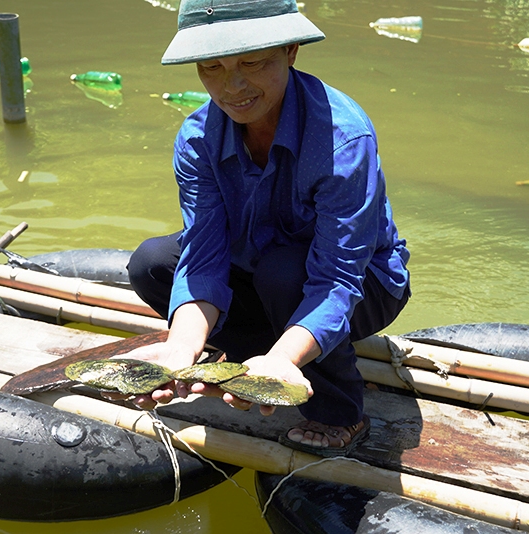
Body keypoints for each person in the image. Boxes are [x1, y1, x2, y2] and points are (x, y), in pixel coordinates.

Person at [123, 0, 411, 457]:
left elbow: (338, 278)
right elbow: (204, 255)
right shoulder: (197, 139)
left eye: (252, 63)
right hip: (259, 270)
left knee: (283, 270)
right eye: (211, 67)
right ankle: (251, 359)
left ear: (291, 50)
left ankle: (340, 410)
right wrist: (181, 351)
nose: (232, 87)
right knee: (152, 264)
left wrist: (282, 359)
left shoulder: (343, 139)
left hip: (361, 284)